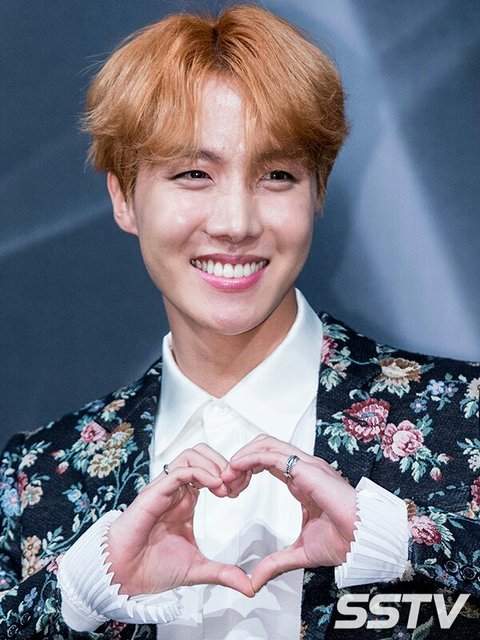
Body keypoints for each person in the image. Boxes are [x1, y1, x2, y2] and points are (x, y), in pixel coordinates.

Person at [0, 4, 479, 639]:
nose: (235, 223)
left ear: (318, 192)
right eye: (193, 174)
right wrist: (79, 596)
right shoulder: (37, 478)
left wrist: (402, 543)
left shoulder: (466, 418)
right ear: (124, 197)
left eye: (277, 175)